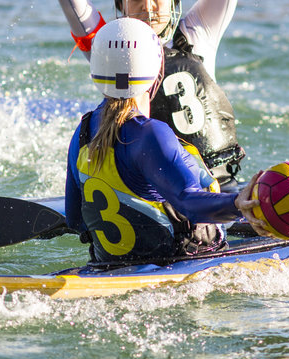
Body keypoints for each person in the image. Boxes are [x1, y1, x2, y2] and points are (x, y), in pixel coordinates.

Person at [65, 18, 269, 263]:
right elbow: (188, 202)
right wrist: (238, 204)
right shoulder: (150, 134)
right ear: (157, 70)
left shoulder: (84, 131)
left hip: (106, 265)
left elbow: (75, 219)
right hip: (178, 263)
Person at [59, 0, 245, 187]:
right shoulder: (107, 47)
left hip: (220, 183)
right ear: (121, 5)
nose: (147, 7)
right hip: (150, 193)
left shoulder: (198, 31)